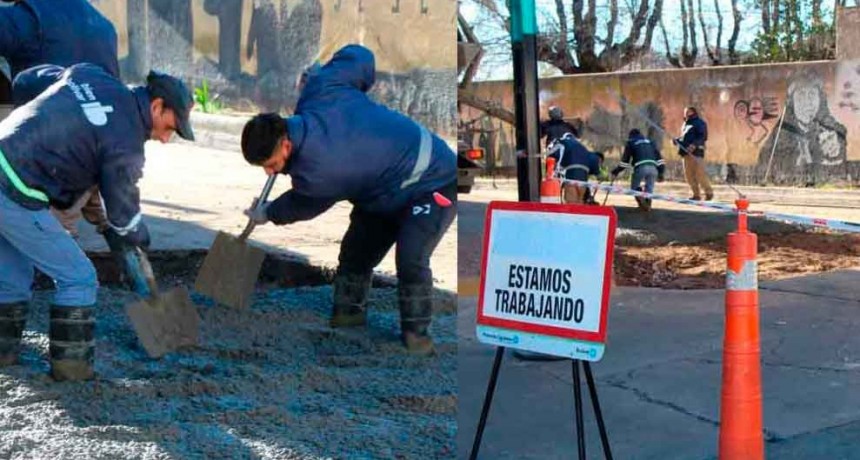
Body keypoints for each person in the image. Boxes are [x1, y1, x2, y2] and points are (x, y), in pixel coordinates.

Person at [239, 45, 456, 355]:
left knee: (410, 256)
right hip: (379, 191)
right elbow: (360, 57)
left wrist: (269, 212)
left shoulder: (321, 173)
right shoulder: (319, 88)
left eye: (271, 164)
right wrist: (331, 79)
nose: (269, 172)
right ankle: (348, 317)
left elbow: (301, 206)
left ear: (286, 144)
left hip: (431, 179)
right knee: (355, 254)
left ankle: (417, 339)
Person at [0, 63, 195, 381]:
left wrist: (43, 124)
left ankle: (4, 355)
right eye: (170, 128)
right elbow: (123, 215)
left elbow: (27, 80)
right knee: (79, 278)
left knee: (12, 277)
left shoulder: (89, 74)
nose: (165, 139)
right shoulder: (126, 142)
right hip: (14, 189)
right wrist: (136, 241)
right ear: (157, 106)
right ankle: (72, 372)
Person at [0, 0, 121, 242]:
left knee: (55, 233)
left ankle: (66, 276)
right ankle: (136, 274)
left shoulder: (28, 17)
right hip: (103, 143)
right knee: (107, 219)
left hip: (57, 152)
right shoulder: (102, 23)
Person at [612, 129, 665, 211]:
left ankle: (643, 204)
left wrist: (616, 171)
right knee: (649, 189)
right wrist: (661, 172)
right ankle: (648, 206)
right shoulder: (650, 142)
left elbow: (625, 162)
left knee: (634, 188)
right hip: (653, 167)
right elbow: (660, 159)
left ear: (630, 136)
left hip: (641, 167)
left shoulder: (631, 142)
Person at [547, 132, 602, 204]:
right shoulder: (583, 148)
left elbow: (552, 154)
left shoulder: (562, 142)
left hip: (571, 177)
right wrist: (597, 172)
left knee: (571, 204)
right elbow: (594, 160)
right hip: (583, 180)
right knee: (580, 201)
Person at [674, 106, 713, 201]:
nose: (686, 113)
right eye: (685, 112)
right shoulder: (685, 124)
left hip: (696, 153)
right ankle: (696, 194)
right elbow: (684, 138)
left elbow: (703, 136)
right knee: (689, 176)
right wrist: (677, 141)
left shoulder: (700, 123)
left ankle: (709, 193)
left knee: (700, 174)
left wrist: (694, 145)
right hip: (685, 153)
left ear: (693, 112)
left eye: (688, 112)